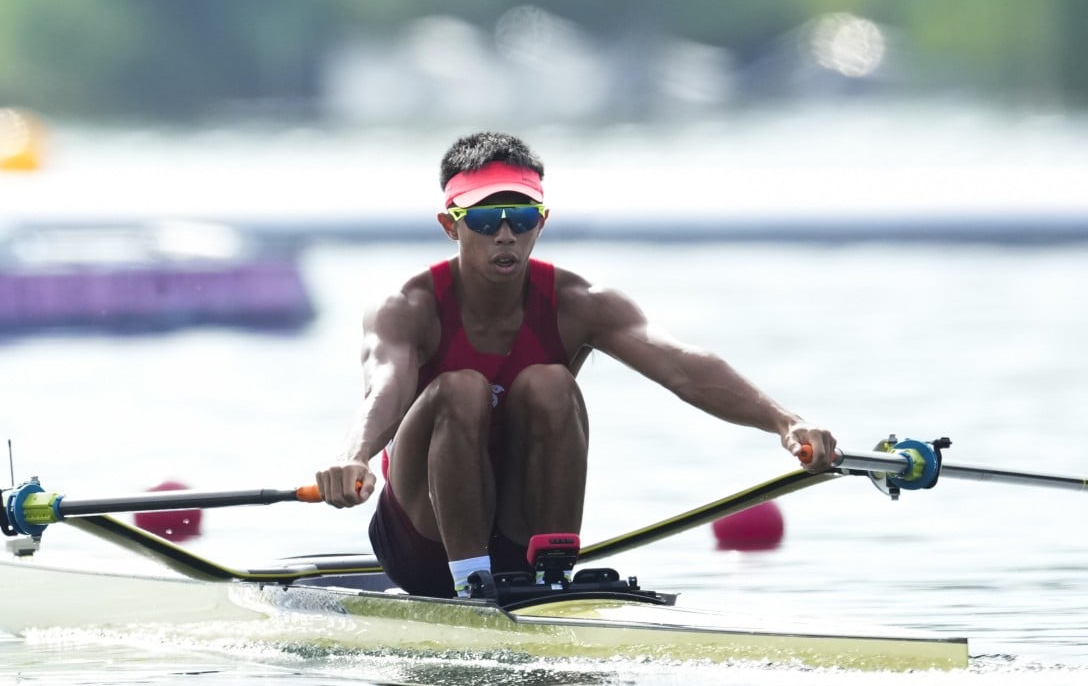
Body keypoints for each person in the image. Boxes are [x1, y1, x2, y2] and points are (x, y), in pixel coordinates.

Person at [315, 131, 836, 599]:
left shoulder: (581, 302)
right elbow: (385, 386)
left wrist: (787, 423)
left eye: (520, 217)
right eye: (483, 218)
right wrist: (353, 456)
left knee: (551, 382)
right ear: (451, 227)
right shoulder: (406, 307)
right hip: (421, 542)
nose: (505, 234)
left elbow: (683, 366)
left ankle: (552, 573)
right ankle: (471, 580)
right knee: (461, 388)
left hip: (519, 531)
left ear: (540, 222)